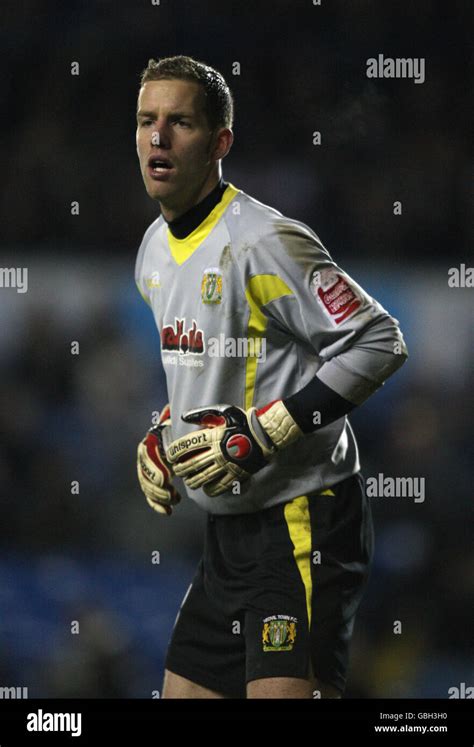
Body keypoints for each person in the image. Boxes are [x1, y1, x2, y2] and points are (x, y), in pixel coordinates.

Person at [134, 55, 408, 699]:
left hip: (303, 519)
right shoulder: (151, 251)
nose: (158, 138)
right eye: (147, 120)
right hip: (227, 536)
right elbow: (208, 376)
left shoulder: (263, 241)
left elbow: (379, 340)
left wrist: (268, 431)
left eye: (180, 123)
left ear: (220, 142)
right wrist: (162, 437)